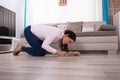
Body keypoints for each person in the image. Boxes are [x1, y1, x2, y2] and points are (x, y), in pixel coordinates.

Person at [13, 24, 80, 56]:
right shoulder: (56, 33)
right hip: (29, 31)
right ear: (66, 35)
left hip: (37, 36)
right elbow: (45, 45)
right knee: (40, 52)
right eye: (69, 41)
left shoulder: (60, 37)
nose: (67, 43)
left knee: (42, 52)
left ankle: (23, 48)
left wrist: (72, 53)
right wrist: (57, 52)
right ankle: (21, 48)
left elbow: (60, 51)